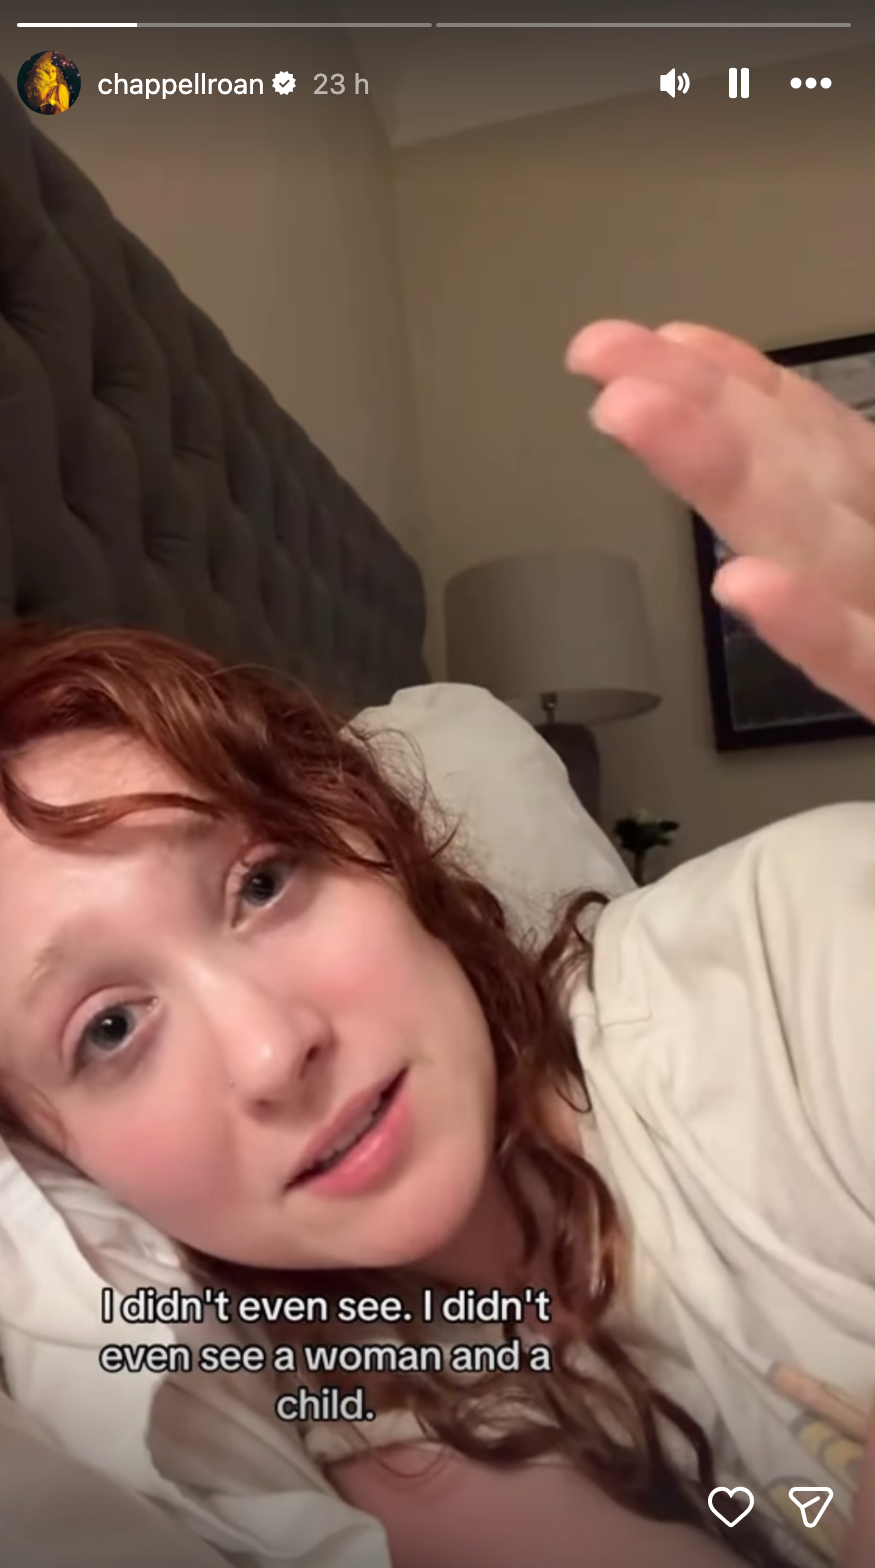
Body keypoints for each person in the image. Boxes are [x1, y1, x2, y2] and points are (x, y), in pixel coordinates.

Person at [0, 318, 871, 1568]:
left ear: (374, 836)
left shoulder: (776, 980)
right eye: (112, 1027)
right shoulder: (385, 1456)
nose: (273, 1048)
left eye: (260, 880)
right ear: (57, 1160)